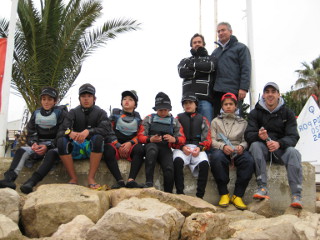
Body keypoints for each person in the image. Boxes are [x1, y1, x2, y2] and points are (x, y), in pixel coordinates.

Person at [245, 82, 303, 209]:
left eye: (273, 91)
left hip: (281, 151)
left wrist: (279, 143)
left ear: (278, 95)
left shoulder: (288, 113)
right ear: (263, 95)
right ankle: (262, 187)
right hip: (263, 149)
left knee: (294, 152)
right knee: (255, 145)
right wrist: (259, 136)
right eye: (267, 92)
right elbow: (248, 134)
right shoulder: (255, 113)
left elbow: (294, 136)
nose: (270, 94)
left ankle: (296, 195)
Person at [0, 87, 67, 194]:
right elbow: (30, 132)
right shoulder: (36, 113)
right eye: (44, 99)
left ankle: (31, 182)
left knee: (51, 153)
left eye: (50, 99)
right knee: (22, 150)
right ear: (41, 100)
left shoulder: (61, 114)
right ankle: (9, 179)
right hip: (38, 145)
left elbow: (62, 134)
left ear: (55, 101)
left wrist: (48, 146)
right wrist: (34, 143)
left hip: (54, 147)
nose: (46, 102)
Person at [57, 83, 110, 189]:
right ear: (79, 99)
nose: (86, 99)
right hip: (76, 148)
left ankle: (91, 178)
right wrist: (70, 133)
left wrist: (89, 132)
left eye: (89, 96)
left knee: (98, 138)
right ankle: (73, 178)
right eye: (83, 96)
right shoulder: (73, 112)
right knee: (61, 141)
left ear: (94, 98)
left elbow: (106, 129)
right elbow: (61, 130)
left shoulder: (101, 113)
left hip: (93, 148)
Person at [210, 93, 254, 210]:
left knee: (248, 160)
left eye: (231, 104)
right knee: (216, 158)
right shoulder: (215, 121)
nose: (228, 106)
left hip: (237, 149)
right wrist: (222, 146)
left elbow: (246, 140)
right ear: (222, 107)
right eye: (225, 104)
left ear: (236, 106)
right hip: (222, 149)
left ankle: (237, 195)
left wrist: (241, 147)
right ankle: (224, 193)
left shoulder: (243, 123)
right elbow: (212, 140)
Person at [138, 92, 185, 193]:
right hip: (151, 145)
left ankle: (168, 193)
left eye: (165, 110)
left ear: (169, 109)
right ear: (156, 109)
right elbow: (140, 136)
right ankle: (149, 183)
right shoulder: (149, 118)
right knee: (152, 150)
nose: (163, 112)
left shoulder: (174, 121)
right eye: (160, 110)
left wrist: (174, 139)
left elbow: (182, 139)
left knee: (169, 169)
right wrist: (150, 139)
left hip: (165, 148)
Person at [103, 90, 145, 189]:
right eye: (124, 99)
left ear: (135, 105)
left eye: (130, 100)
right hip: (115, 144)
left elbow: (141, 135)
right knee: (107, 149)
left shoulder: (138, 118)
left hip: (130, 146)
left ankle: (131, 180)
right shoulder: (115, 114)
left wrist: (130, 143)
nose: (127, 101)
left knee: (140, 149)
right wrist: (117, 144)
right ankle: (119, 181)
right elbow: (107, 130)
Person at [173, 92, 211, 199]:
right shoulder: (177, 119)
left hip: (197, 147)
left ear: (196, 104)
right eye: (185, 103)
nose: (188, 105)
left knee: (204, 164)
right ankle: (180, 193)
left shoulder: (203, 119)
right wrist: (181, 147)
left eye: (190, 103)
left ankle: (200, 196)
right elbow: (173, 137)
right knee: (177, 161)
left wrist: (200, 148)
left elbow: (208, 139)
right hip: (182, 147)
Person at [211, 22, 251, 118]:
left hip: (234, 90)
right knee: (218, 121)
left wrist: (244, 88)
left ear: (230, 32)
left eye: (223, 30)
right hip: (217, 92)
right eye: (218, 31)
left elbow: (246, 68)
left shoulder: (241, 48)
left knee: (235, 120)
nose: (220, 33)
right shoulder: (215, 52)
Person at [178, 33, 215, 123]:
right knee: (187, 129)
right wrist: (201, 72)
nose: (197, 44)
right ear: (191, 45)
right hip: (188, 101)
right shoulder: (185, 60)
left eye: (199, 42)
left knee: (207, 127)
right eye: (194, 42)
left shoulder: (210, 58)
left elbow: (210, 67)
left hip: (204, 99)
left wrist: (192, 66)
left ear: (203, 44)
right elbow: (181, 72)